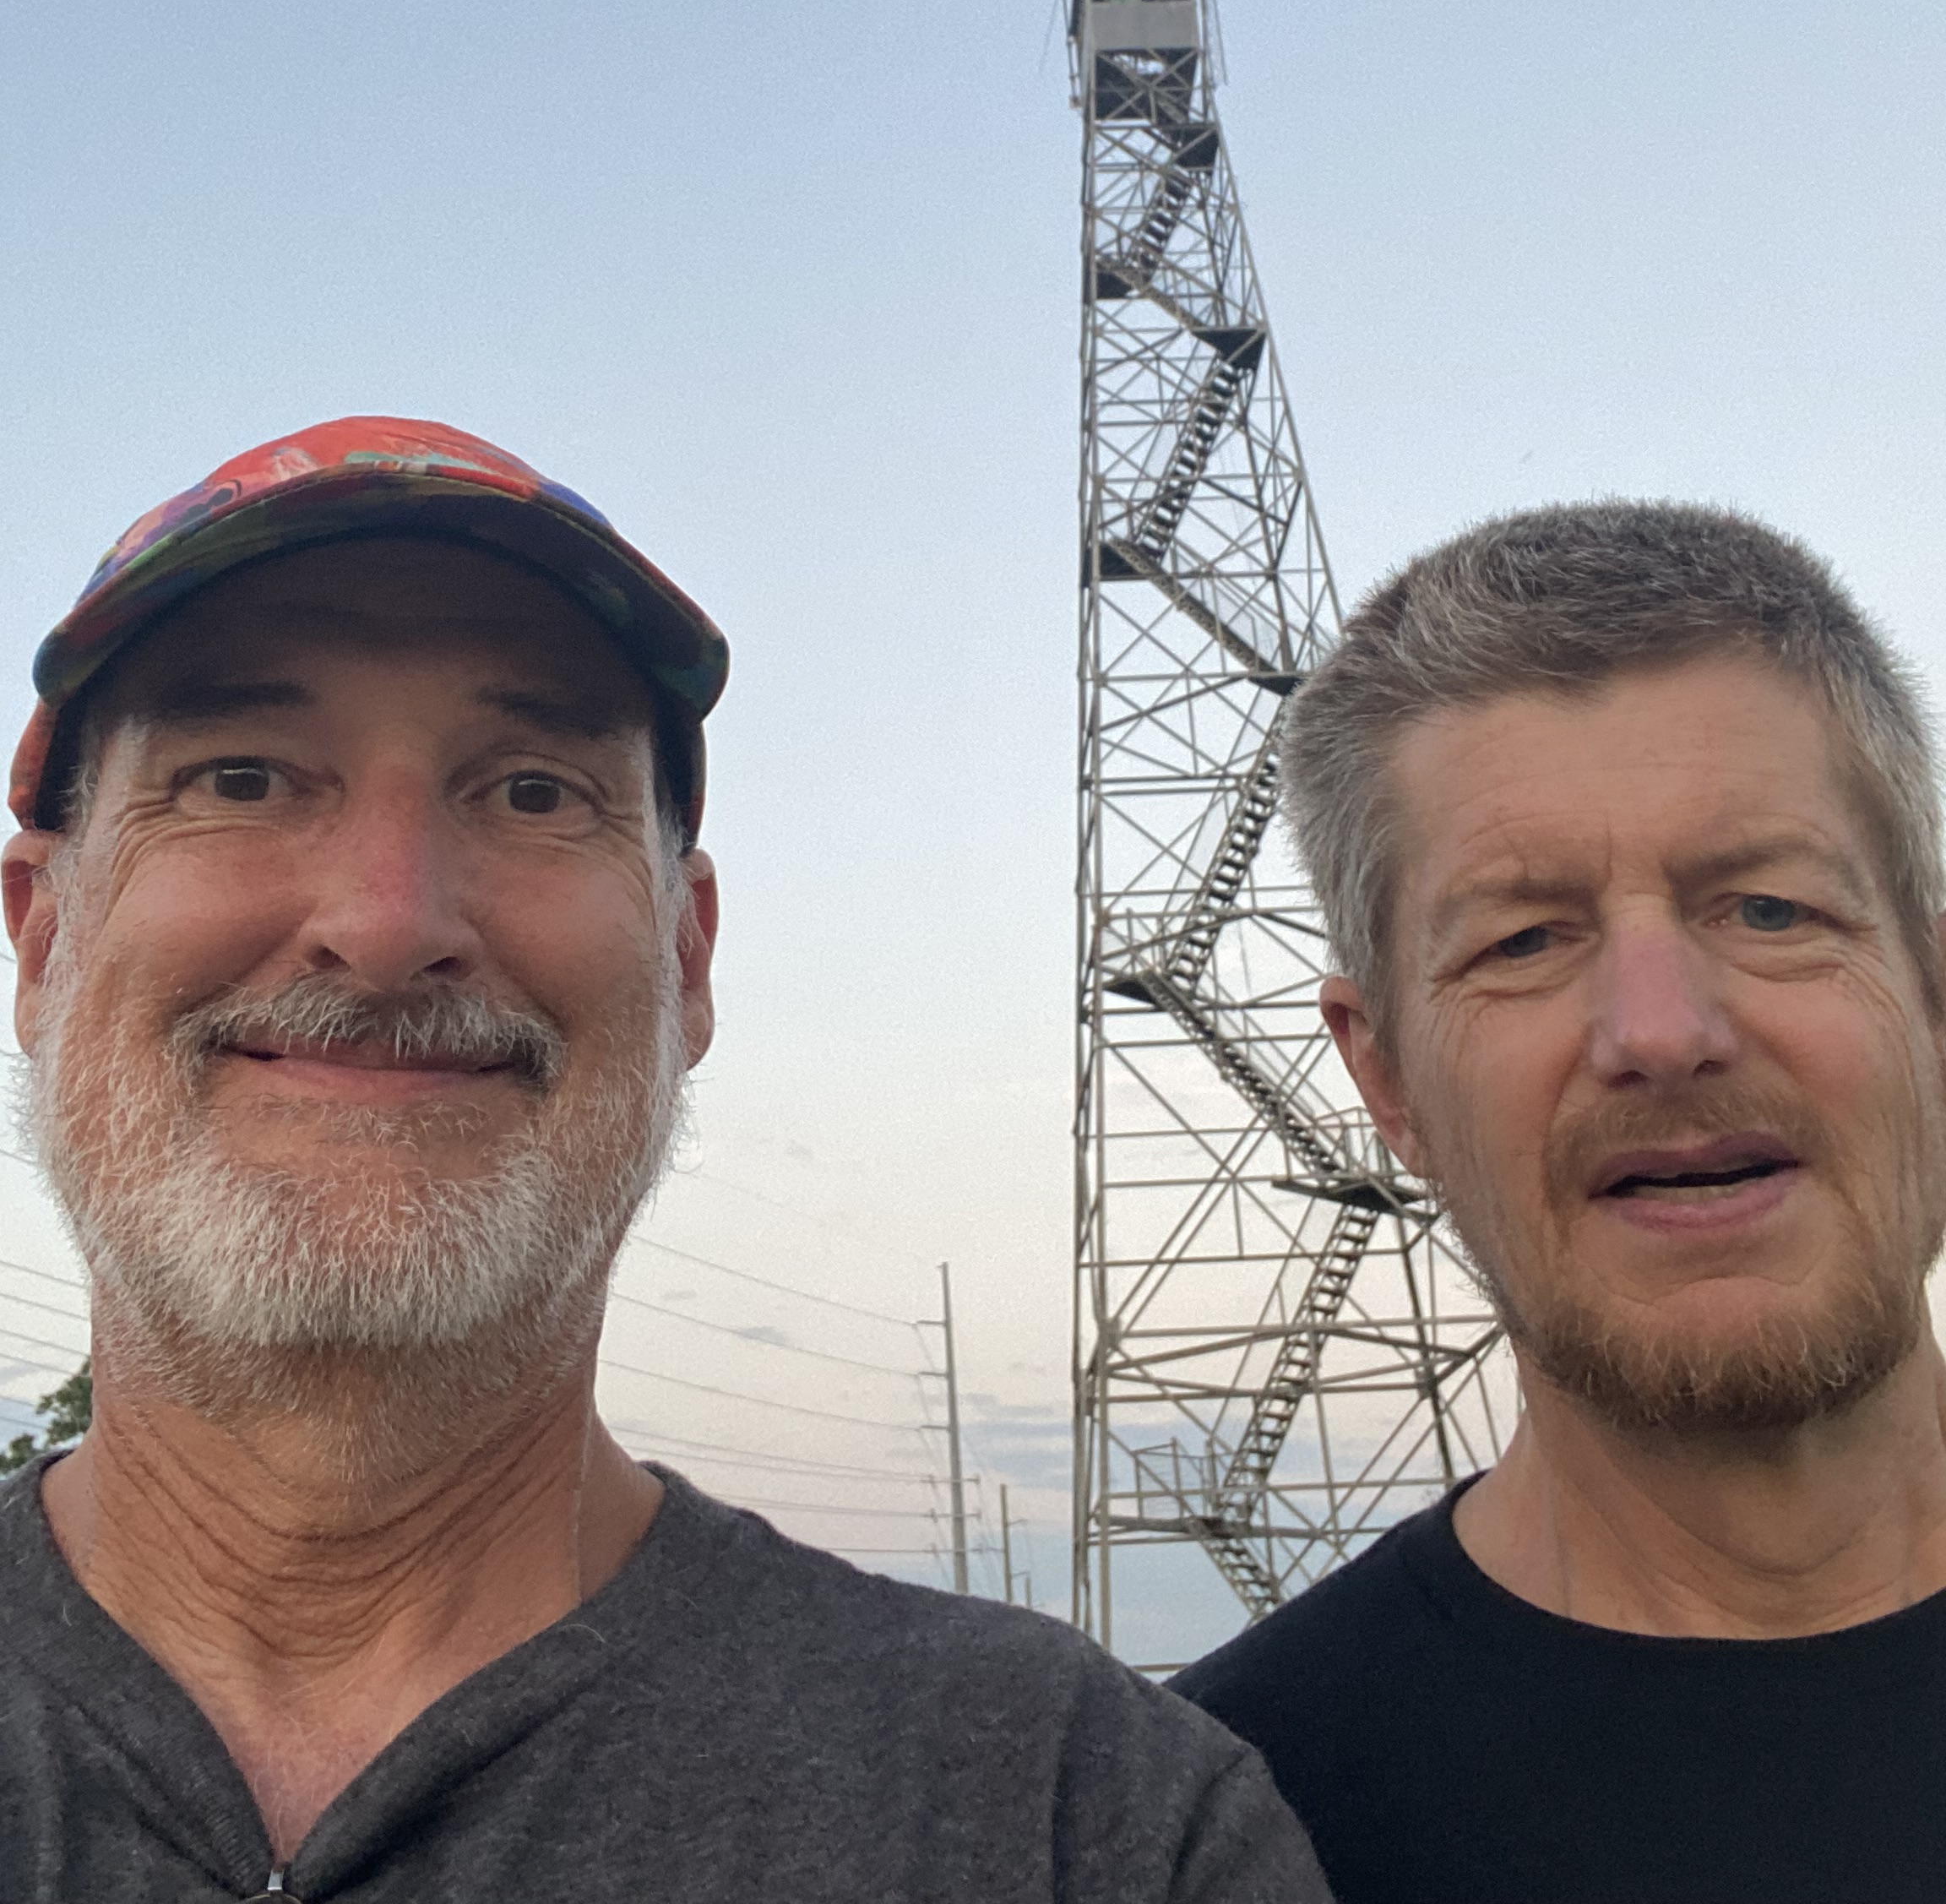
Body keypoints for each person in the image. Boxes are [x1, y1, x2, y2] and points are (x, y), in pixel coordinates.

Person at [0, 416, 1329, 1904]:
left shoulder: (1088, 1820)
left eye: (533, 792)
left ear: (688, 961)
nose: (388, 922)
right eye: (241, 777)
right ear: (43, 945)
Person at [1174, 499, 1946, 1904]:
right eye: (1525, 940)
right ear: (1387, 1079)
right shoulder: (1201, 1838)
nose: (1662, 1029)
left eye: (1769, 909)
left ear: (1936, 1001)